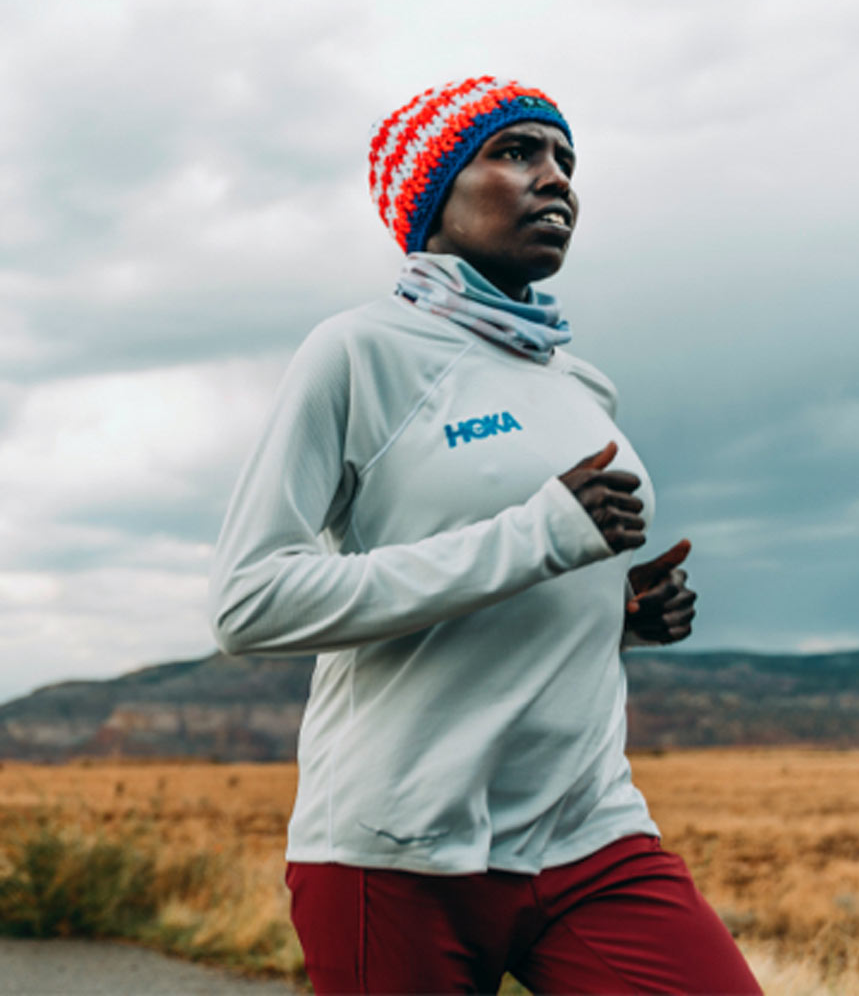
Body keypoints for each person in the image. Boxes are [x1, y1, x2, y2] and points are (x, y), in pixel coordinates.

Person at [209, 76, 761, 995]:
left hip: (590, 834)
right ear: (431, 194)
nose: (557, 181)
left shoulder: (581, 385)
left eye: (566, 162)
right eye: (515, 153)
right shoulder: (361, 353)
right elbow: (248, 602)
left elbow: (529, 572)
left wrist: (616, 615)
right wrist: (534, 538)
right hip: (400, 847)